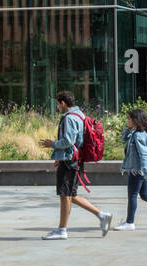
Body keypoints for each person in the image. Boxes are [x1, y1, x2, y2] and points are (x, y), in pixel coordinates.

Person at [40, 90, 112, 240]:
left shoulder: (70, 118)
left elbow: (69, 141)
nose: (57, 107)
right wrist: (60, 156)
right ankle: (102, 215)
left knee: (65, 195)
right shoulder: (79, 114)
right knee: (70, 195)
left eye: (58, 104)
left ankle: (62, 230)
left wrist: (52, 144)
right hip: (72, 159)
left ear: (63, 103)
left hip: (70, 162)